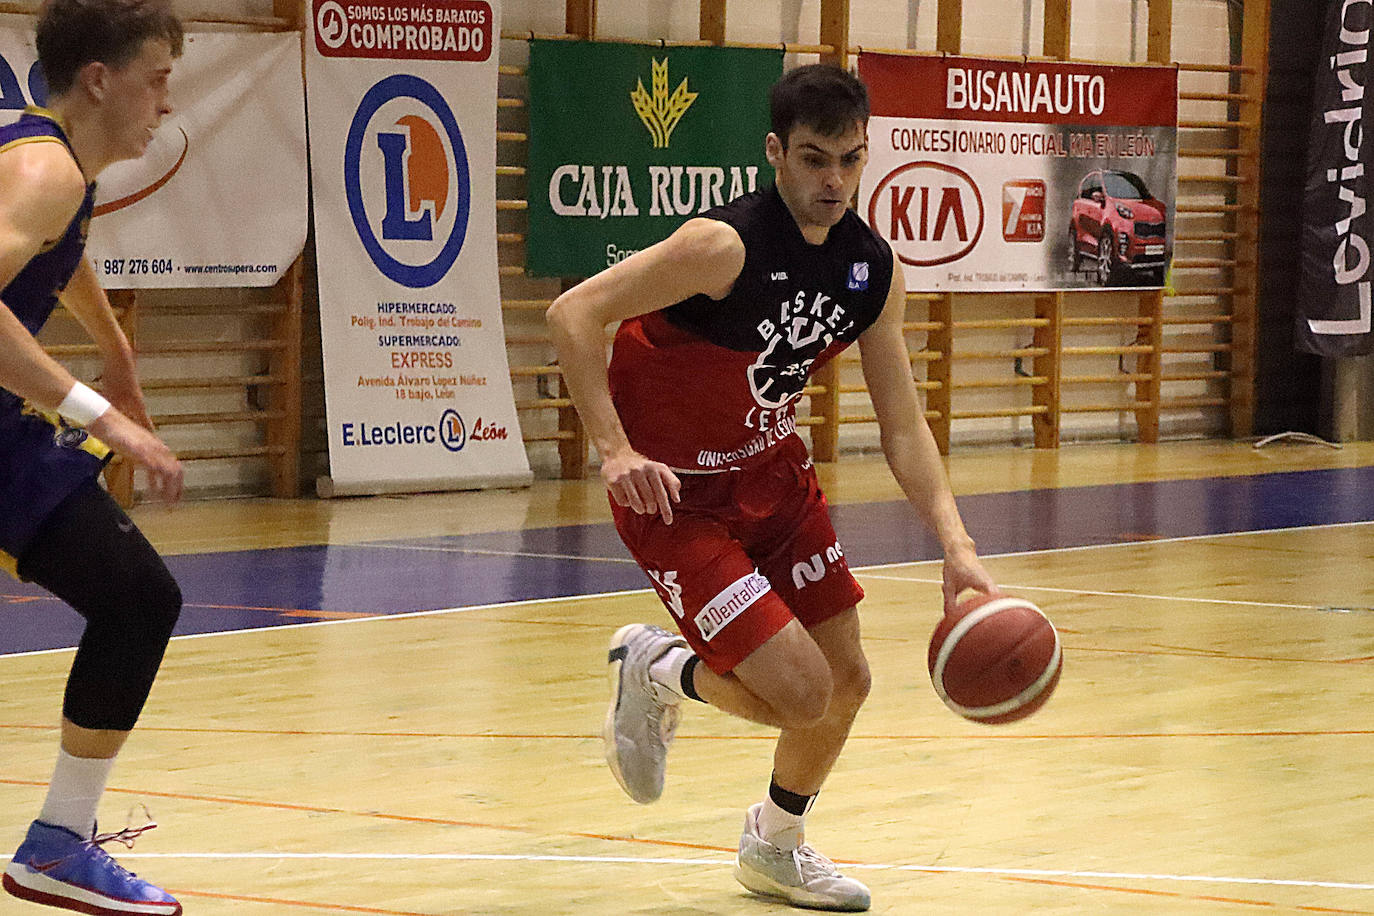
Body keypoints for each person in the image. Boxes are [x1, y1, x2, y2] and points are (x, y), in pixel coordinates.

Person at [547, 63, 997, 912]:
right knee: (800, 692)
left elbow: (903, 424)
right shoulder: (721, 247)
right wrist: (612, 449)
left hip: (773, 476)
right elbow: (573, 314)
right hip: (675, 496)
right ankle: (657, 667)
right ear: (775, 153)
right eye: (814, 159)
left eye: (850, 160)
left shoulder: (871, 270)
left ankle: (776, 845)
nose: (833, 181)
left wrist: (957, 546)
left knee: (848, 681)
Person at [0, 2, 186, 914]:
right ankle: (57, 846)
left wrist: (115, 353)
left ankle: (58, 845)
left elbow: (50, 258)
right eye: (155, 79)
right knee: (138, 597)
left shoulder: (58, 170)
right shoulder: (44, 169)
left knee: (138, 595)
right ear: (99, 79)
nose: (166, 101)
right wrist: (102, 417)